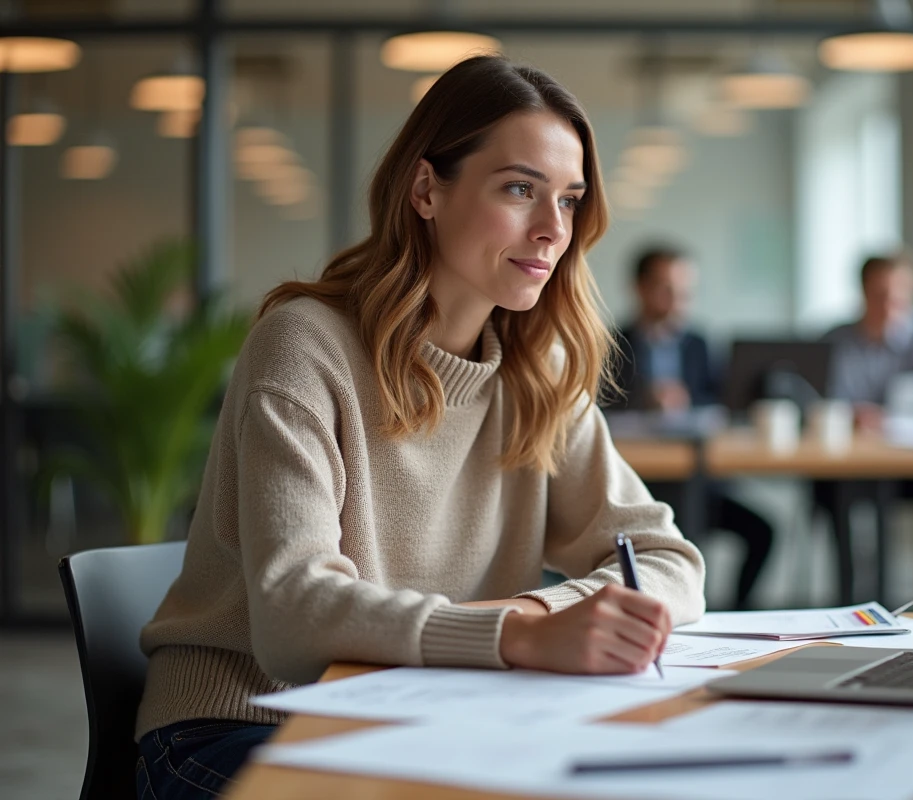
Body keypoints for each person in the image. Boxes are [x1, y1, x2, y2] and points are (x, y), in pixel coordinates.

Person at [133, 55, 706, 800]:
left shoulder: (537, 368)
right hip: (247, 720)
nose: (551, 230)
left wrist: (539, 611)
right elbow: (294, 619)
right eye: (520, 189)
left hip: (434, 714)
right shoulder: (305, 345)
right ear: (427, 189)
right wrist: (520, 637)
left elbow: (669, 559)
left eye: (568, 200)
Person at [609, 247, 774, 610]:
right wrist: (644, 400)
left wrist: (691, 404)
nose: (677, 301)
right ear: (639, 288)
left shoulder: (698, 344)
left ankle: (736, 615)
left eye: (685, 292)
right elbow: (597, 407)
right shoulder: (611, 344)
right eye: (666, 289)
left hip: (700, 482)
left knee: (763, 530)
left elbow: (721, 403)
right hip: (638, 489)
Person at [814, 251, 913, 563]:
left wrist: (893, 418)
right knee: (830, 491)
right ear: (863, 293)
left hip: (912, 467)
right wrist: (851, 416)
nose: (892, 305)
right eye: (882, 295)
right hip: (852, 468)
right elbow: (823, 406)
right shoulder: (835, 340)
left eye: (902, 296)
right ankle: (848, 584)